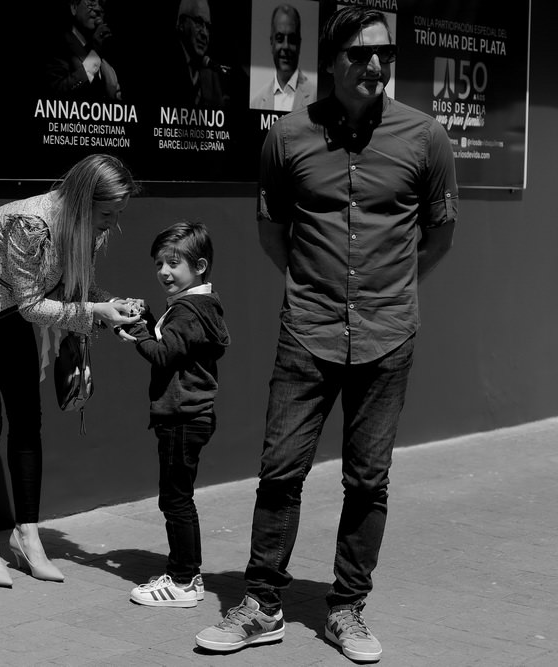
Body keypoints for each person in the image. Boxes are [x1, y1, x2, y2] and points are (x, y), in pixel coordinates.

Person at [196, 6, 456, 663]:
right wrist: (316, 290)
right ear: (332, 60)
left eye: (385, 55)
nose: (376, 66)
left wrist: (390, 290)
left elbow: (440, 231)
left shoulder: (426, 138)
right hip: (307, 331)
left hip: (387, 333)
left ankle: (346, 608)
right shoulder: (287, 138)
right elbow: (272, 230)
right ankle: (261, 606)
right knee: (280, 472)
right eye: (362, 55)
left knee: (368, 481)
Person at [0, 154, 141, 588]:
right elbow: (34, 305)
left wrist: (111, 307)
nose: (112, 224)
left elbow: (68, 288)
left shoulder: (89, 227)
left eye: (119, 214)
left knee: (28, 420)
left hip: (15, 307)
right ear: (86, 202)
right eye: (108, 214)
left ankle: (27, 537)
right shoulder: (31, 224)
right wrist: (94, 311)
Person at [121, 221, 229, 609]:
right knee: (178, 497)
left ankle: (184, 579)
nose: (163, 271)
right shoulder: (197, 306)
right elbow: (175, 348)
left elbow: (164, 355)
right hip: (189, 416)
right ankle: (185, 573)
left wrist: (139, 332)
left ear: (199, 265)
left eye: (173, 262)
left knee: (176, 500)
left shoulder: (187, 310)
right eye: (158, 264)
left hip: (182, 417)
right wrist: (149, 321)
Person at [159, 0, 244, 109]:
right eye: (198, 22)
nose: (204, 33)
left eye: (207, 27)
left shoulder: (211, 74)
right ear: (181, 23)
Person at [45, 0, 123, 101]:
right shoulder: (58, 46)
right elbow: (56, 93)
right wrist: (95, 56)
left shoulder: (106, 53)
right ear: (74, 7)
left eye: (101, 4)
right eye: (91, 2)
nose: (98, 9)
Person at [250, 4, 316, 111]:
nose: (286, 46)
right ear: (272, 43)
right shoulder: (256, 103)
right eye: (280, 39)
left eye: (292, 39)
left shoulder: (315, 97)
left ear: (299, 44)